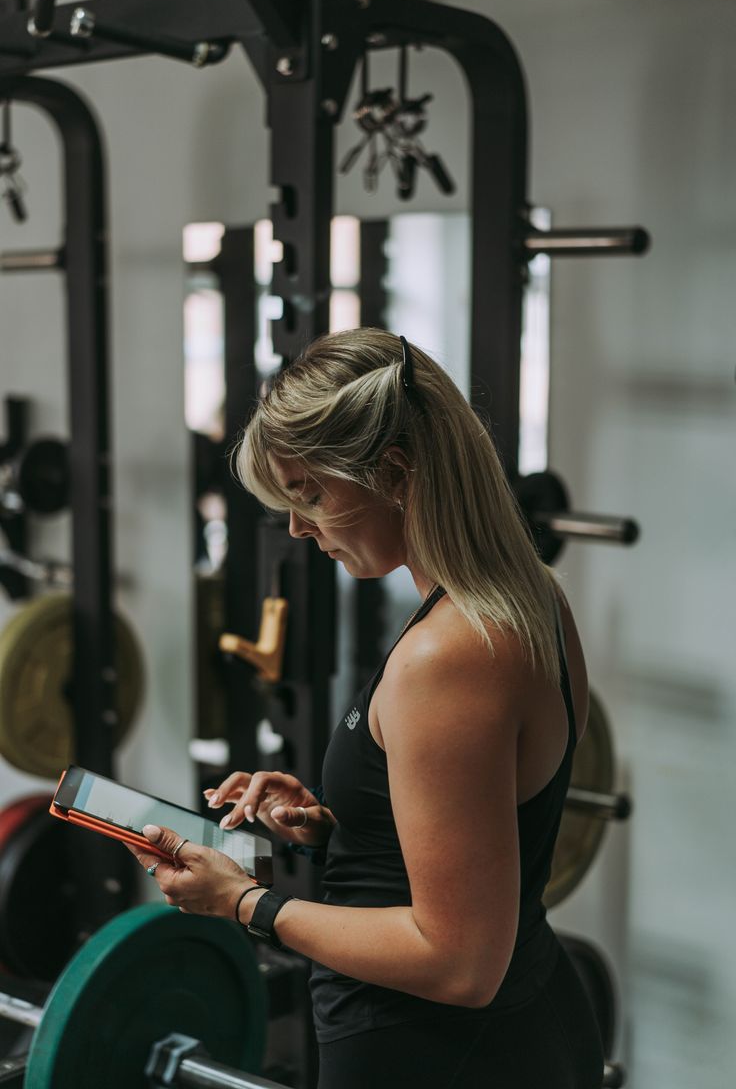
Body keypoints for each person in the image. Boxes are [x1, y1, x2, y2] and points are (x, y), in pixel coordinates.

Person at [127, 328, 605, 1088]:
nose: (297, 527)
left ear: (394, 474)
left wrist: (245, 902)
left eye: (310, 494)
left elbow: (458, 962)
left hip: (436, 1054)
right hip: (514, 1027)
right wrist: (341, 830)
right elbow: (482, 832)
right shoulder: (530, 599)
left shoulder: (446, 654)